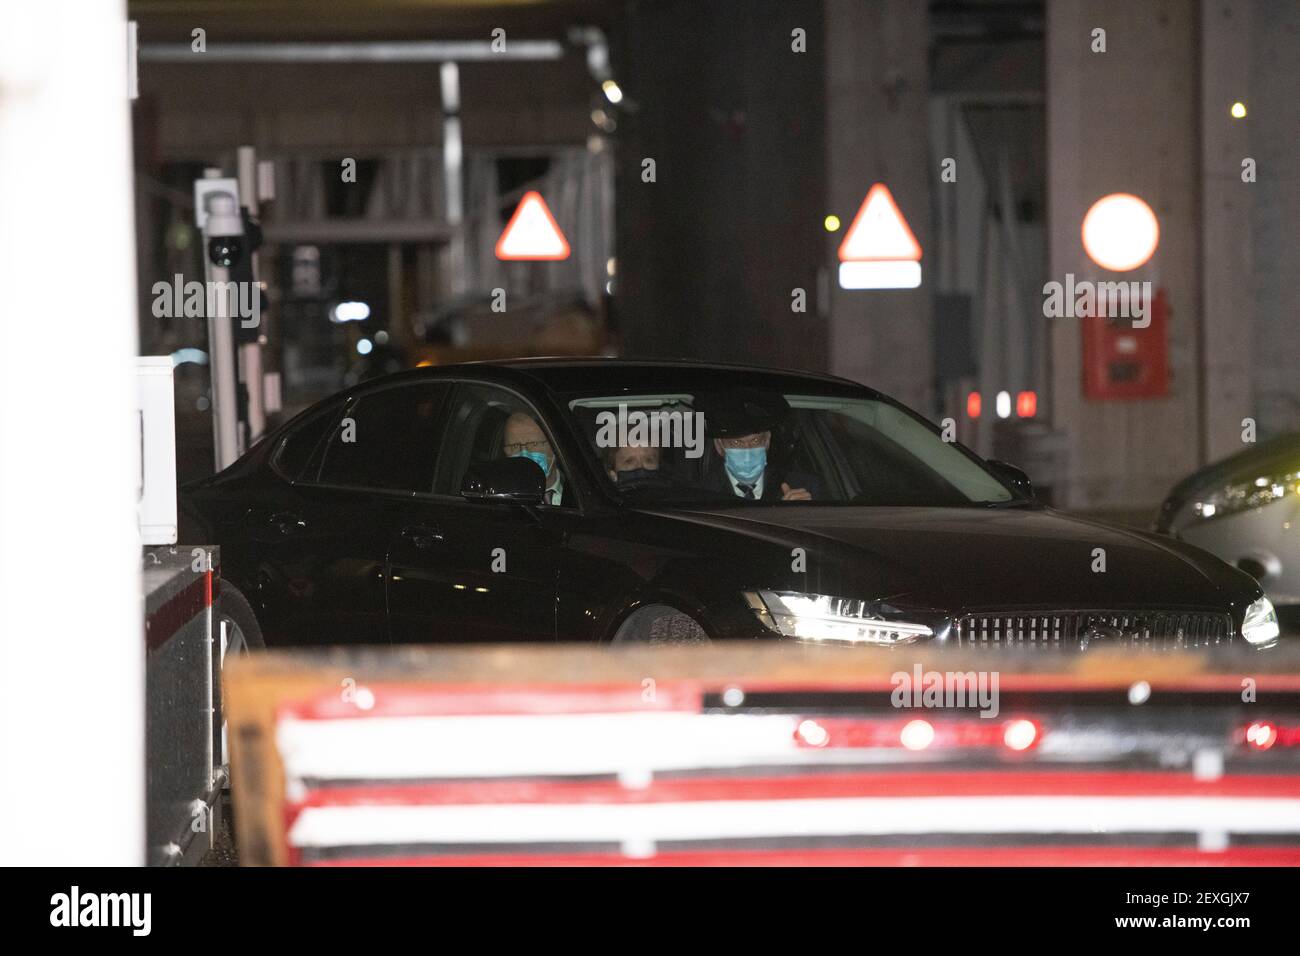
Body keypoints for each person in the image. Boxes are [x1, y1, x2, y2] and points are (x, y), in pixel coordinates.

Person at [698, 390, 819, 501]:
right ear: (719, 445)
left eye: (755, 441)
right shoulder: (700, 496)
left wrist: (805, 511)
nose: (747, 451)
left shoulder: (805, 486)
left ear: (767, 441)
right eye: (736, 443)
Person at [501, 411, 564, 505]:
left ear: (554, 446)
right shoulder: (500, 500)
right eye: (514, 446)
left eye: (534, 444)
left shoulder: (580, 488)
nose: (524, 454)